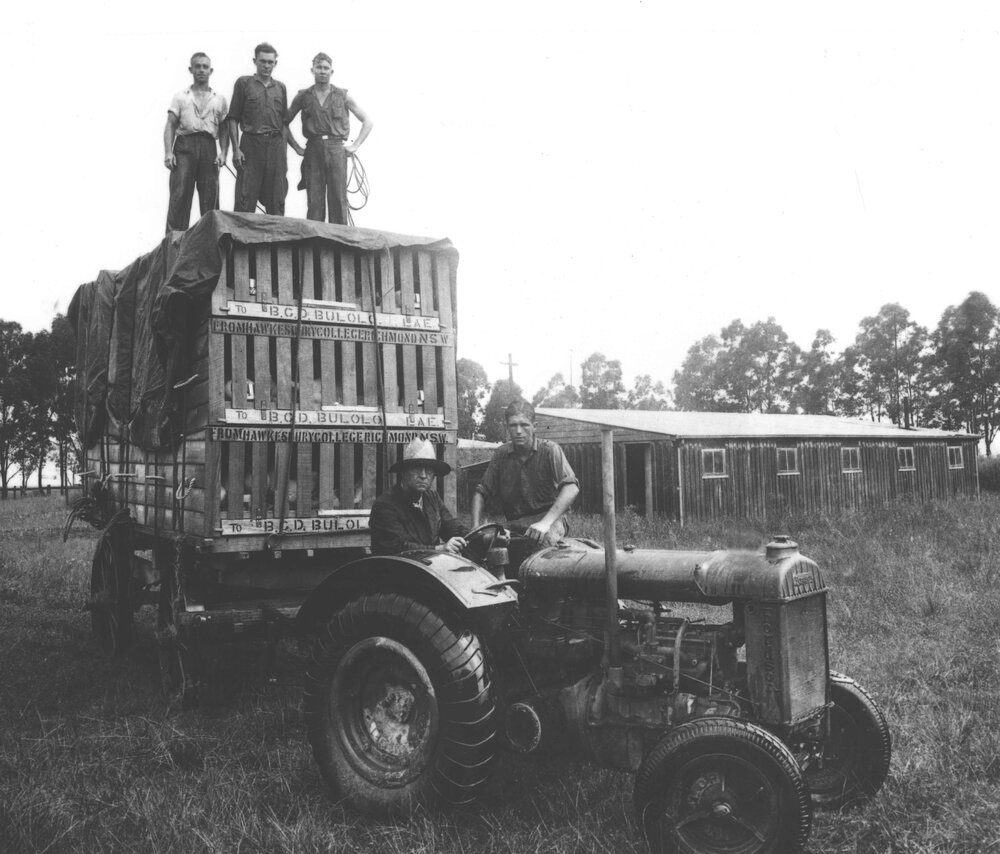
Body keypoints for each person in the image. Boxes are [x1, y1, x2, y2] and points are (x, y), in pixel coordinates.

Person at [472, 400, 579, 546]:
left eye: (524, 425)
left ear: (534, 427)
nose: (518, 431)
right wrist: (476, 527)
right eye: (513, 425)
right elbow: (481, 492)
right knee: (480, 542)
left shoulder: (550, 450)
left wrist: (545, 523)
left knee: (542, 542)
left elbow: (571, 488)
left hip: (550, 520)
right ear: (506, 428)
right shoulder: (501, 454)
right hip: (514, 523)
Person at [285, 52, 373, 224]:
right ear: (312, 70)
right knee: (315, 202)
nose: (323, 71)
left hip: (336, 148)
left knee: (338, 200)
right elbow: (283, 122)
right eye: (319, 68)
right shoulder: (303, 96)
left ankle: (339, 248)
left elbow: (367, 121)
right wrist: (296, 147)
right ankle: (315, 248)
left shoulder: (342, 95)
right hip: (313, 148)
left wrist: (355, 145)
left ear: (332, 71)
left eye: (326, 68)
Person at [163, 53, 230, 232]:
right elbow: (170, 124)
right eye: (198, 66)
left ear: (211, 70)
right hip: (185, 145)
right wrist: (168, 152)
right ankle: (174, 246)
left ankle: (211, 245)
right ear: (191, 69)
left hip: (208, 146)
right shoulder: (181, 96)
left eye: (205, 67)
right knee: (180, 195)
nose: (201, 70)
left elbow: (225, 128)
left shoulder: (219, 98)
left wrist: (223, 153)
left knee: (210, 198)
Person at [370, 438, 468, 556]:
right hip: (396, 569)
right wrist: (440, 549)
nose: (423, 475)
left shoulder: (432, 498)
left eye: (429, 470)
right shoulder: (385, 505)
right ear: (404, 472)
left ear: (434, 475)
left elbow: (453, 528)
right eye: (417, 468)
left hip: (427, 567)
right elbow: (398, 547)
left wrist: (483, 538)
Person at [227, 43, 290, 215]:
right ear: (255, 61)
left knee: (277, 200)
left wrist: (283, 154)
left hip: (275, 146)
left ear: (275, 63)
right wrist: (235, 149)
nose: (266, 66)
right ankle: (240, 242)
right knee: (245, 198)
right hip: (251, 144)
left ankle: (275, 242)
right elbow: (232, 118)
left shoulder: (281, 88)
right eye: (263, 61)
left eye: (270, 62)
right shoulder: (243, 83)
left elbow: (284, 123)